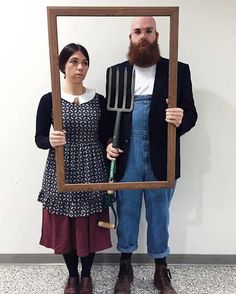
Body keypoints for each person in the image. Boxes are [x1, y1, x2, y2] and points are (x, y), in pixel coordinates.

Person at [106, 17, 198, 294]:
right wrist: (108, 142)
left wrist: (181, 118)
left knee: (160, 214)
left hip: (162, 157)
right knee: (128, 212)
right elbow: (109, 120)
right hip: (127, 157)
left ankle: (161, 270)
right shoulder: (117, 72)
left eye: (148, 31)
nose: (143, 36)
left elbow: (191, 115)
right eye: (138, 31)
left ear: (157, 35)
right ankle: (125, 268)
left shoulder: (176, 71)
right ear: (130, 37)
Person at [35, 43, 112, 294]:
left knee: (88, 224)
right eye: (74, 62)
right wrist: (51, 141)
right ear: (63, 66)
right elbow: (39, 139)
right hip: (61, 167)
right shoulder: (50, 100)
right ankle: (71, 276)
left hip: (92, 166)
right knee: (66, 224)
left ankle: (87, 276)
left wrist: (111, 146)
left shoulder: (99, 100)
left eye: (85, 62)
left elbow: (105, 137)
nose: (80, 67)